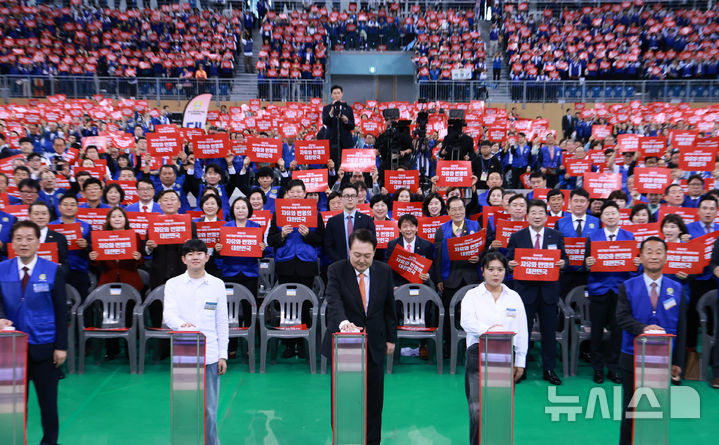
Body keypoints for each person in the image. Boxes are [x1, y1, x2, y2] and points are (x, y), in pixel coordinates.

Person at [321, 228, 396, 445]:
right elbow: (334, 301)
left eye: (367, 256)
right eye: (357, 255)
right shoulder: (336, 270)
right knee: (344, 401)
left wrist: (391, 338)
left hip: (375, 344)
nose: (362, 261)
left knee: (374, 403)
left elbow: (389, 307)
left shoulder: (384, 270)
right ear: (349, 250)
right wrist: (344, 324)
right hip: (344, 345)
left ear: (374, 253)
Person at [0, 220, 67, 445]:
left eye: (29, 238)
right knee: (14, 405)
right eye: (19, 238)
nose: (24, 243)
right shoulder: (2, 269)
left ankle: (50, 442)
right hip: (10, 349)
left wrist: (61, 346)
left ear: (39, 242)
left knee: (48, 404)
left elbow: (60, 310)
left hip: (45, 347)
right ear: (12, 243)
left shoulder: (53, 270)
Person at [616, 236, 685, 445]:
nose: (654, 256)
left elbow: (682, 325)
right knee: (631, 411)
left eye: (658, 252)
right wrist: (644, 329)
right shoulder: (627, 286)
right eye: (649, 251)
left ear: (666, 257)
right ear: (641, 256)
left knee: (657, 411)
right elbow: (622, 317)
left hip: (663, 361)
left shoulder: (677, 288)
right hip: (632, 357)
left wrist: (678, 361)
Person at [163, 239, 229, 445]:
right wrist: (189, 329)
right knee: (185, 408)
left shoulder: (217, 285)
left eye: (199, 253)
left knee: (209, 410)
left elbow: (222, 322)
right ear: (183, 259)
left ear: (207, 257)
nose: (195, 257)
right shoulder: (173, 284)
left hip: (210, 355)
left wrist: (222, 355)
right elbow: (169, 316)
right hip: (184, 352)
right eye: (190, 254)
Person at [461, 252, 528, 445]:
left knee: (500, 411)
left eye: (500, 270)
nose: (495, 274)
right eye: (490, 269)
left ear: (505, 272)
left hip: (506, 355)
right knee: (477, 410)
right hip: (478, 353)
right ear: (482, 271)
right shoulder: (472, 295)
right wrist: (492, 332)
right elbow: (467, 322)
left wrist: (520, 361)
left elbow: (522, 330)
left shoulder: (514, 297)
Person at [507, 199, 568, 385]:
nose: (537, 216)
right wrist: (511, 265)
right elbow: (509, 260)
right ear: (527, 216)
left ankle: (548, 369)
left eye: (541, 213)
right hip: (525, 292)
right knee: (521, 332)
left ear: (546, 216)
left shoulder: (556, 236)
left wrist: (563, 264)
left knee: (548, 333)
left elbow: (564, 259)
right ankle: (520, 369)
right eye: (533, 212)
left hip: (549, 293)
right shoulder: (517, 237)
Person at [584, 201, 636, 384]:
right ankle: (597, 369)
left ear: (619, 215)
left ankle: (614, 368)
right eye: (607, 213)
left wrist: (637, 265)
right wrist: (587, 263)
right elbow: (586, 263)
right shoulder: (593, 236)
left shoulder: (629, 237)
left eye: (614, 213)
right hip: (599, 290)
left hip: (621, 292)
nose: (611, 216)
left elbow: (633, 268)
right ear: (602, 217)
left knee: (618, 332)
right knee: (596, 332)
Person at [89, 207, 144, 291]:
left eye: (120, 216)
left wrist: (139, 257)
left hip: (131, 280)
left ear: (125, 219)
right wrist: (93, 258)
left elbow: (141, 260)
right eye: (113, 217)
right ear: (109, 220)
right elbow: (96, 264)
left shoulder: (135, 236)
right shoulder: (101, 237)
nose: (117, 219)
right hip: (108, 280)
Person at [50, 194, 92, 298]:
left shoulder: (86, 226)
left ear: (78, 207)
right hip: (56, 271)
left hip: (79, 269)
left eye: (72, 205)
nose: (69, 207)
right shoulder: (51, 226)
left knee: (81, 301)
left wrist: (86, 245)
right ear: (59, 207)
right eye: (65, 205)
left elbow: (94, 249)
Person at [324, 183, 375, 263]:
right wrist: (339, 262)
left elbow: (372, 242)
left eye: (353, 196)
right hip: (339, 265)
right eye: (347, 196)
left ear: (357, 198)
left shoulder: (367, 220)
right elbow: (328, 245)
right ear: (341, 198)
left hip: (362, 264)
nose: (350, 199)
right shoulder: (332, 221)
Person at [28, 201, 69, 276]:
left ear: (49, 216)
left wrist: (60, 268)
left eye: (44, 213)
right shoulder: (22, 237)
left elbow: (65, 264)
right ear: (29, 216)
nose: (40, 217)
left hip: (52, 276)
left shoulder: (59, 238)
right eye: (36, 214)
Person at [322, 85, 355, 167]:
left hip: (346, 142)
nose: (336, 95)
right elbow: (325, 121)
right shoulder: (326, 108)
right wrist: (331, 112)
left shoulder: (348, 108)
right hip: (332, 142)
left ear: (342, 94)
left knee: (346, 166)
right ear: (331, 95)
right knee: (333, 165)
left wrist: (347, 120)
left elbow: (352, 125)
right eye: (334, 93)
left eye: (338, 93)